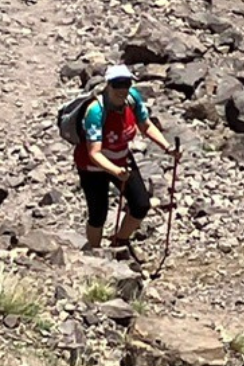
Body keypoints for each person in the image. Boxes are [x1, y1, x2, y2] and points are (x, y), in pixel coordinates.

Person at [75, 64, 181, 258]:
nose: (122, 89)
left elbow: (145, 126)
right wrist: (115, 171)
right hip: (92, 168)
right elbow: (94, 153)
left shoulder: (133, 99)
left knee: (141, 204)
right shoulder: (95, 112)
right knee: (98, 214)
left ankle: (121, 240)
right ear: (108, 85)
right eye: (117, 84)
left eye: (126, 83)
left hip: (121, 157)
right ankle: (95, 254)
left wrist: (167, 148)